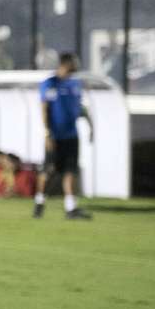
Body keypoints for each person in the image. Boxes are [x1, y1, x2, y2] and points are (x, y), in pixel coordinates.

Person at [34, 53, 94, 219]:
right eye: (74, 62)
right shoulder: (50, 83)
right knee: (50, 170)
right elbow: (44, 108)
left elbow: (80, 107)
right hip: (55, 136)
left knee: (70, 171)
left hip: (71, 135)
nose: (77, 65)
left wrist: (90, 125)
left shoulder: (75, 84)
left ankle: (71, 208)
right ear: (65, 64)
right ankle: (39, 203)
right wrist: (47, 133)